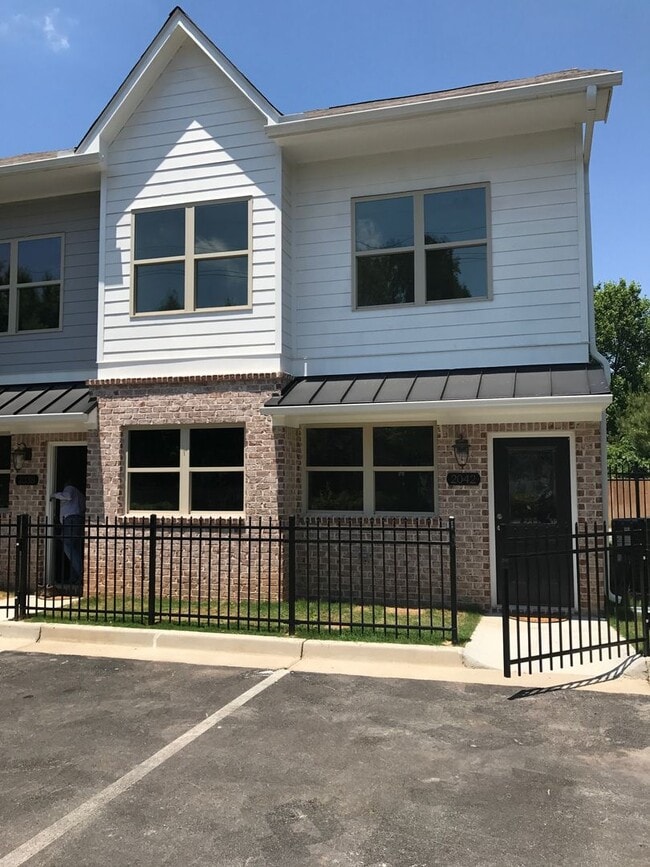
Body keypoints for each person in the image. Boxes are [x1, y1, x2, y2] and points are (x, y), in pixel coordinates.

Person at [44, 481, 86, 597]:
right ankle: (74, 578)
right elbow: (83, 508)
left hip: (71, 520)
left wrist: (53, 495)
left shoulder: (70, 487)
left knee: (67, 546)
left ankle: (81, 571)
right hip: (78, 521)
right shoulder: (80, 495)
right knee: (74, 548)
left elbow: (67, 496)